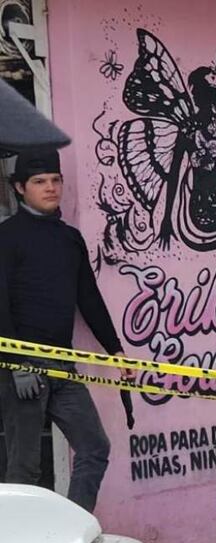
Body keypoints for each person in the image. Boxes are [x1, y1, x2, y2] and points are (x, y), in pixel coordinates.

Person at [0, 149, 133, 513]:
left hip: (63, 363)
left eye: (56, 180)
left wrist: (115, 349)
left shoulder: (69, 238)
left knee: (94, 448)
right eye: (40, 182)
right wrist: (15, 364)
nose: (51, 188)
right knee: (23, 470)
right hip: (21, 365)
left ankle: (74, 532)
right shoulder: (6, 237)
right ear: (19, 188)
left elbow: (88, 297)